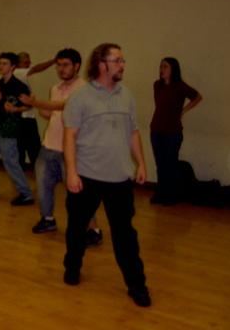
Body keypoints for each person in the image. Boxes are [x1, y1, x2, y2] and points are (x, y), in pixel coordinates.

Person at [62, 43, 150, 307]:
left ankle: (137, 285)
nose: (123, 65)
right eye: (117, 60)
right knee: (76, 229)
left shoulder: (127, 96)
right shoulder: (81, 97)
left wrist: (141, 164)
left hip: (119, 179)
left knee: (125, 236)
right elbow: (70, 137)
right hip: (86, 177)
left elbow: (133, 132)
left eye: (123, 60)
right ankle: (72, 267)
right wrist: (72, 172)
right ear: (102, 64)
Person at [20, 48, 102, 246]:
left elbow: (64, 106)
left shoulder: (84, 89)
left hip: (73, 151)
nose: (61, 69)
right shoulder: (55, 88)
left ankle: (93, 230)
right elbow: (50, 114)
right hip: (49, 146)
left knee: (78, 194)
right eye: (58, 65)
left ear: (76, 66)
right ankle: (48, 220)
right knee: (43, 187)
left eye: (65, 65)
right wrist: (36, 105)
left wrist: (37, 102)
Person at [0, 52, 35, 206]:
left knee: (10, 161)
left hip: (11, 127)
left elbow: (29, 105)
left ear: (13, 66)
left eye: (4, 63)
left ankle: (26, 194)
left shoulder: (20, 86)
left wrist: (15, 109)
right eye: (0, 63)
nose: (1, 66)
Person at [149, 57, 202, 205]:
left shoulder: (180, 86)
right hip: (156, 130)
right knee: (160, 164)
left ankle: (171, 195)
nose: (162, 69)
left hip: (172, 132)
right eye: (161, 66)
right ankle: (160, 192)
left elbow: (197, 97)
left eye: (165, 66)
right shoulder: (157, 85)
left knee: (170, 164)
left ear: (173, 69)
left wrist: (183, 111)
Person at [13, 51, 55, 170]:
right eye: (26, 62)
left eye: (29, 61)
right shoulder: (17, 72)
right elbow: (37, 68)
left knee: (25, 149)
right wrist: (53, 61)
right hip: (24, 118)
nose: (29, 64)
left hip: (25, 117)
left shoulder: (20, 75)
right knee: (32, 148)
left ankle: (28, 175)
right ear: (18, 63)